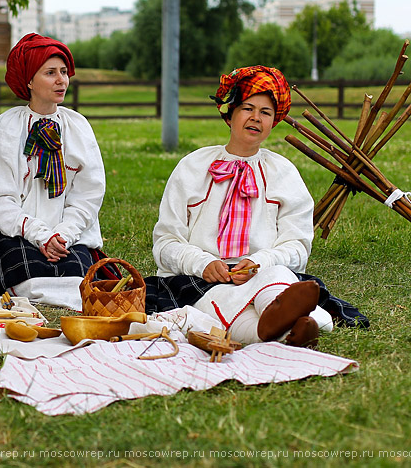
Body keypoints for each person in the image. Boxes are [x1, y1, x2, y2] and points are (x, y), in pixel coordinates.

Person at [148, 65, 355, 347]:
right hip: (201, 279)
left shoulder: (283, 173)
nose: (256, 118)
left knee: (278, 276)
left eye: (266, 112)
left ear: (274, 121)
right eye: (247, 108)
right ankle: (294, 327)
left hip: (262, 275)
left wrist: (260, 262)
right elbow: (165, 242)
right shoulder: (193, 167)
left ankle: (278, 320)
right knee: (220, 300)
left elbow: (297, 245)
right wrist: (204, 263)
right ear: (230, 112)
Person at [0, 33, 106, 310]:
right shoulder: (7, 127)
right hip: (14, 234)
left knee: (75, 274)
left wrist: (63, 235)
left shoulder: (78, 126)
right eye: (50, 73)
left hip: (65, 237)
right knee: (29, 273)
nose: (61, 80)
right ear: (29, 81)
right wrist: (39, 234)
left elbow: (89, 193)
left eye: (63, 72)